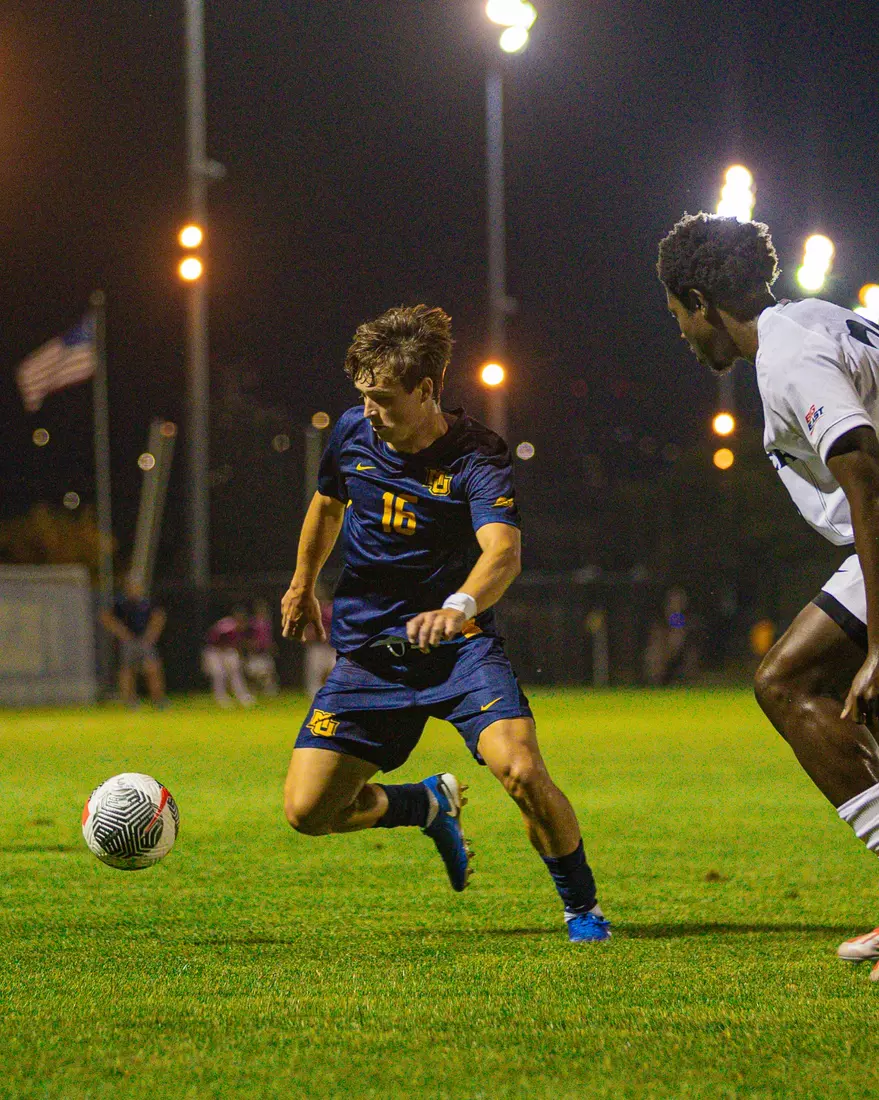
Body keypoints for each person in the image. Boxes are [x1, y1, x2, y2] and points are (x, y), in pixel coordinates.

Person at [280, 304, 609, 944]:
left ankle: (583, 910)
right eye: (364, 396)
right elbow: (326, 505)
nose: (370, 410)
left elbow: (503, 553)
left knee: (521, 771)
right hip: (371, 657)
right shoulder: (351, 432)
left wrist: (458, 608)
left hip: (459, 653)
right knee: (308, 812)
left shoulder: (476, 456)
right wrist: (301, 585)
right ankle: (423, 804)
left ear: (427, 390)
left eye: (384, 398)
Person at [658, 212, 879, 978]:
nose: (683, 335)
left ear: (698, 300)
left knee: (786, 681)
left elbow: (864, 476)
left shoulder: (787, 358)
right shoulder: (819, 318)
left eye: (677, 315)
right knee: (842, 701)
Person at [99, 573, 168, 708]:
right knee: (127, 670)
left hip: (144, 640)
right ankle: (129, 701)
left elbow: (159, 616)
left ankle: (158, 699)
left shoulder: (147, 603)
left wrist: (152, 634)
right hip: (128, 642)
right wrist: (121, 632)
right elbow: (105, 617)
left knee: (152, 668)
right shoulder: (120, 603)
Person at [202, 608, 254, 708]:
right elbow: (212, 639)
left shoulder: (238, 628)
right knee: (219, 674)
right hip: (214, 651)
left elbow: (237, 644)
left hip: (227, 651)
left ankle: (242, 696)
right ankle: (221, 698)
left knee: (235, 673)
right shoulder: (227, 626)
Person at [245, 599, 280, 696]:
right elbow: (247, 637)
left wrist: (272, 646)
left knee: (268, 673)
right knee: (253, 674)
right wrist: (251, 646)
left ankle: (270, 692)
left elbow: (268, 638)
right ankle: (252, 692)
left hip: (265, 652)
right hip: (254, 653)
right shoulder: (252, 623)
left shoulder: (267, 623)